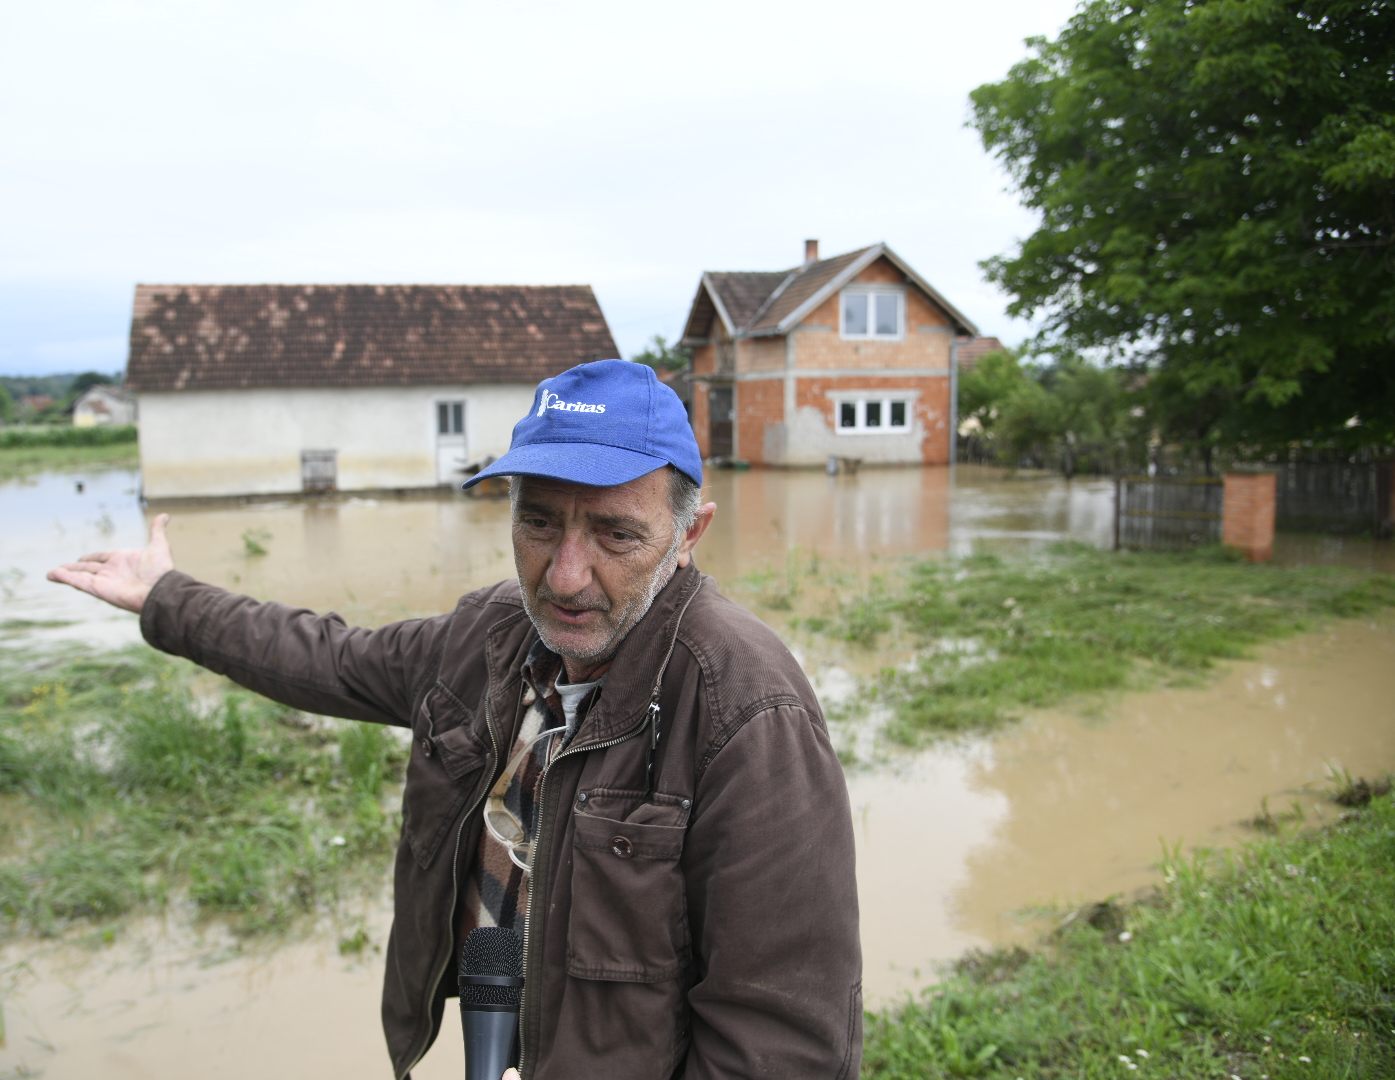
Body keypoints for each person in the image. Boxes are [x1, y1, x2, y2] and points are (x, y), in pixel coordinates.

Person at [48, 359, 861, 1080]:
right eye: (539, 522)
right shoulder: (488, 638)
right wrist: (166, 599)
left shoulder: (748, 712)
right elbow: (329, 659)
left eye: (616, 534)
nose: (565, 576)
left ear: (689, 535)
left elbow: (782, 1041)